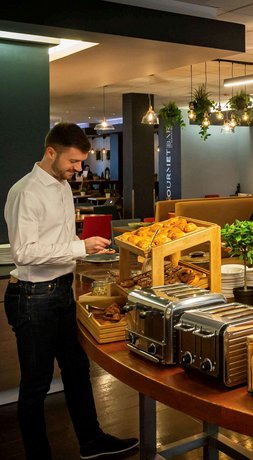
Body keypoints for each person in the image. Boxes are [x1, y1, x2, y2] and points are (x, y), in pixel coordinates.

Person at [4, 123, 139, 460]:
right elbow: (24, 253)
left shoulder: (63, 186)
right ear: (51, 152)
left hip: (62, 292)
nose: (78, 169)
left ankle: (92, 441)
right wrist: (81, 247)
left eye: (81, 162)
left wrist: (85, 251)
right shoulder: (25, 192)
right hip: (32, 298)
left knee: (78, 372)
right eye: (73, 161)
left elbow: (57, 243)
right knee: (36, 385)